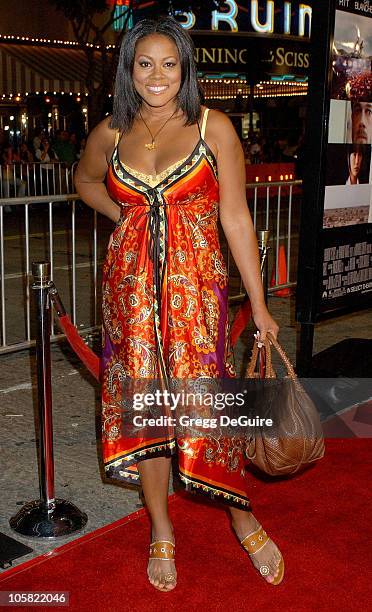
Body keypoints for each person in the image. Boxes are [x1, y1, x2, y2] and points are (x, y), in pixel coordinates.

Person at [75, 17, 283, 593]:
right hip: (130, 295)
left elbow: (235, 217)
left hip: (197, 294)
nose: (158, 75)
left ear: (186, 68)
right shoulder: (109, 134)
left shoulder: (214, 128)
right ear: (129, 70)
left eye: (170, 63)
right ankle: (161, 529)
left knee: (206, 407)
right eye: (145, 64)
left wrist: (260, 306)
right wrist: (126, 220)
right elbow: (86, 182)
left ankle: (241, 515)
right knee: (146, 409)